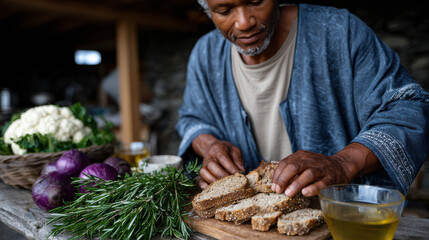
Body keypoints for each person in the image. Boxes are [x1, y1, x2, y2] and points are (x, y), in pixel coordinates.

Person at [175, 0, 429, 197]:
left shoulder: (340, 32)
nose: (243, 22)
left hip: (341, 219)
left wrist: (343, 163)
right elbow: (192, 119)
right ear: (207, 10)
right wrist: (209, 145)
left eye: (255, 2)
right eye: (224, 10)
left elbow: (407, 109)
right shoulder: (206, 54)